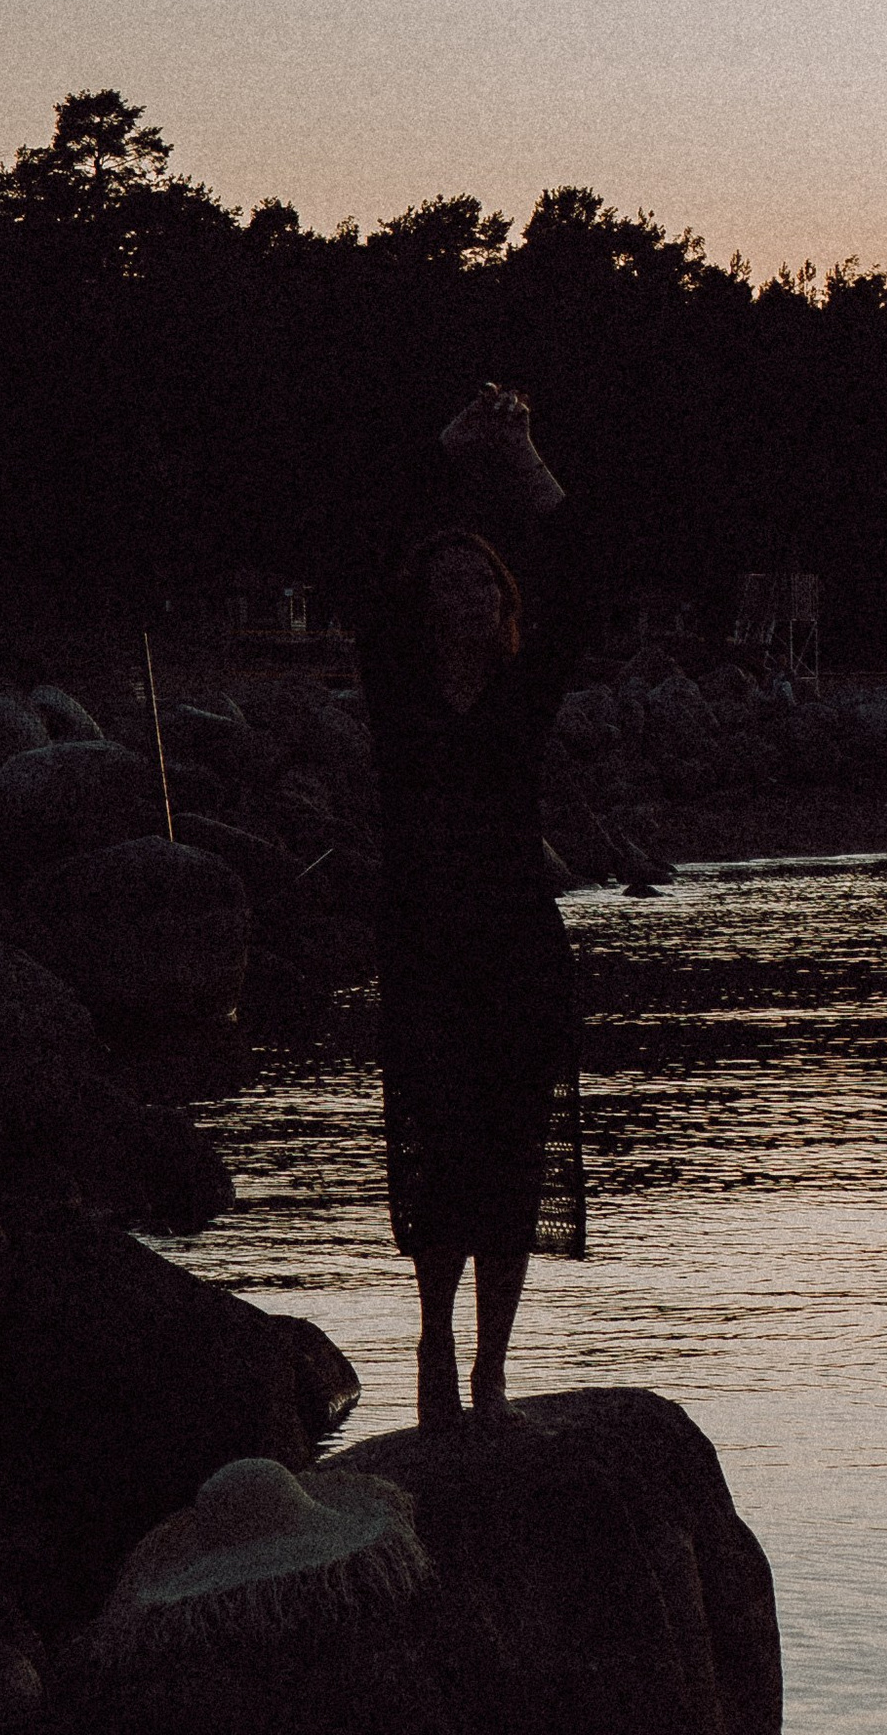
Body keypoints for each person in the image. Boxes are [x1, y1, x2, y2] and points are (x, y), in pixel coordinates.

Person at [355, 385, 587, 1429]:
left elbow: (577, 569)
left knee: (513, 1164)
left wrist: (525, 457)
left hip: (519, 955)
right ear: (424, 602)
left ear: (504, 605)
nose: (469, 598)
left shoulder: (522, 695)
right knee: (436, 1153)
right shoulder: (396, 690)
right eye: (449, 584)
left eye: (483, 586)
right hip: (424, 953)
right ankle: (436, 1345)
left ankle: (492, 1367)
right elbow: (366, 556)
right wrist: (443, 453)